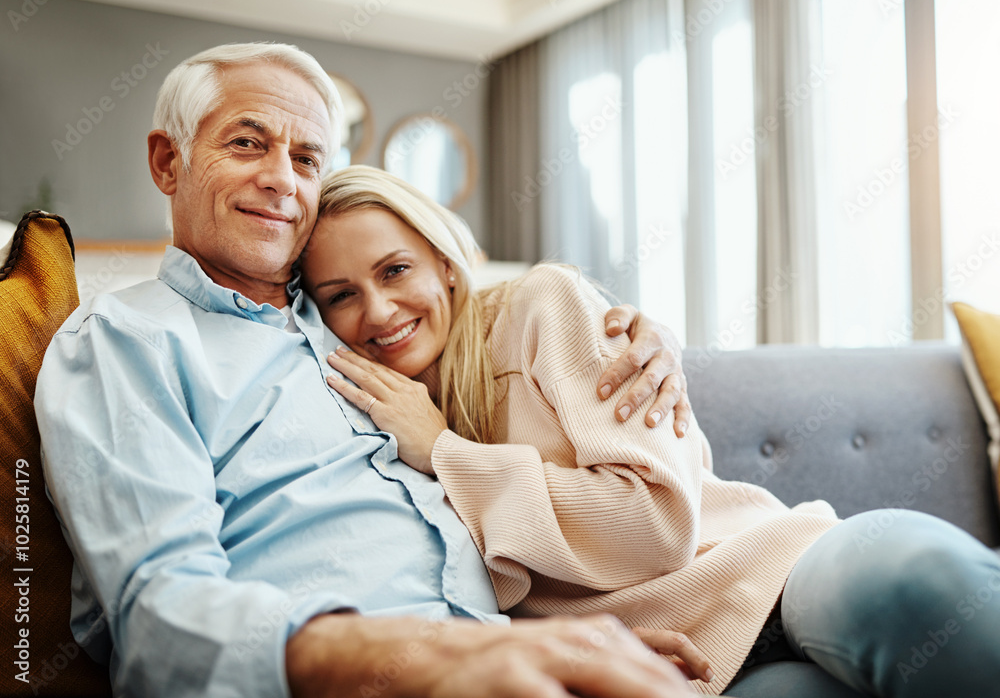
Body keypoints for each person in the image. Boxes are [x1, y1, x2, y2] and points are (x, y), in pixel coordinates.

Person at [34, 42, 700, 698]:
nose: (280, 179)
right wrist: (443, 655)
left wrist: (642, 334)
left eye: (306, 159)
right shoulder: (126, 339)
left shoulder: (353, 326)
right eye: (246, 143)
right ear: (166, 160)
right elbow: (162, 618)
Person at [302, 164, 1000, 698]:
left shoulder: (538, 309)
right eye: (341, 296)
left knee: (914, 587)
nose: (380, 309)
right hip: (695, 666)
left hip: (778, 570)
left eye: (395, 270)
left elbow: (655, 524)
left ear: (444, 265)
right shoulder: (360, 420)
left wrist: (448, 455)